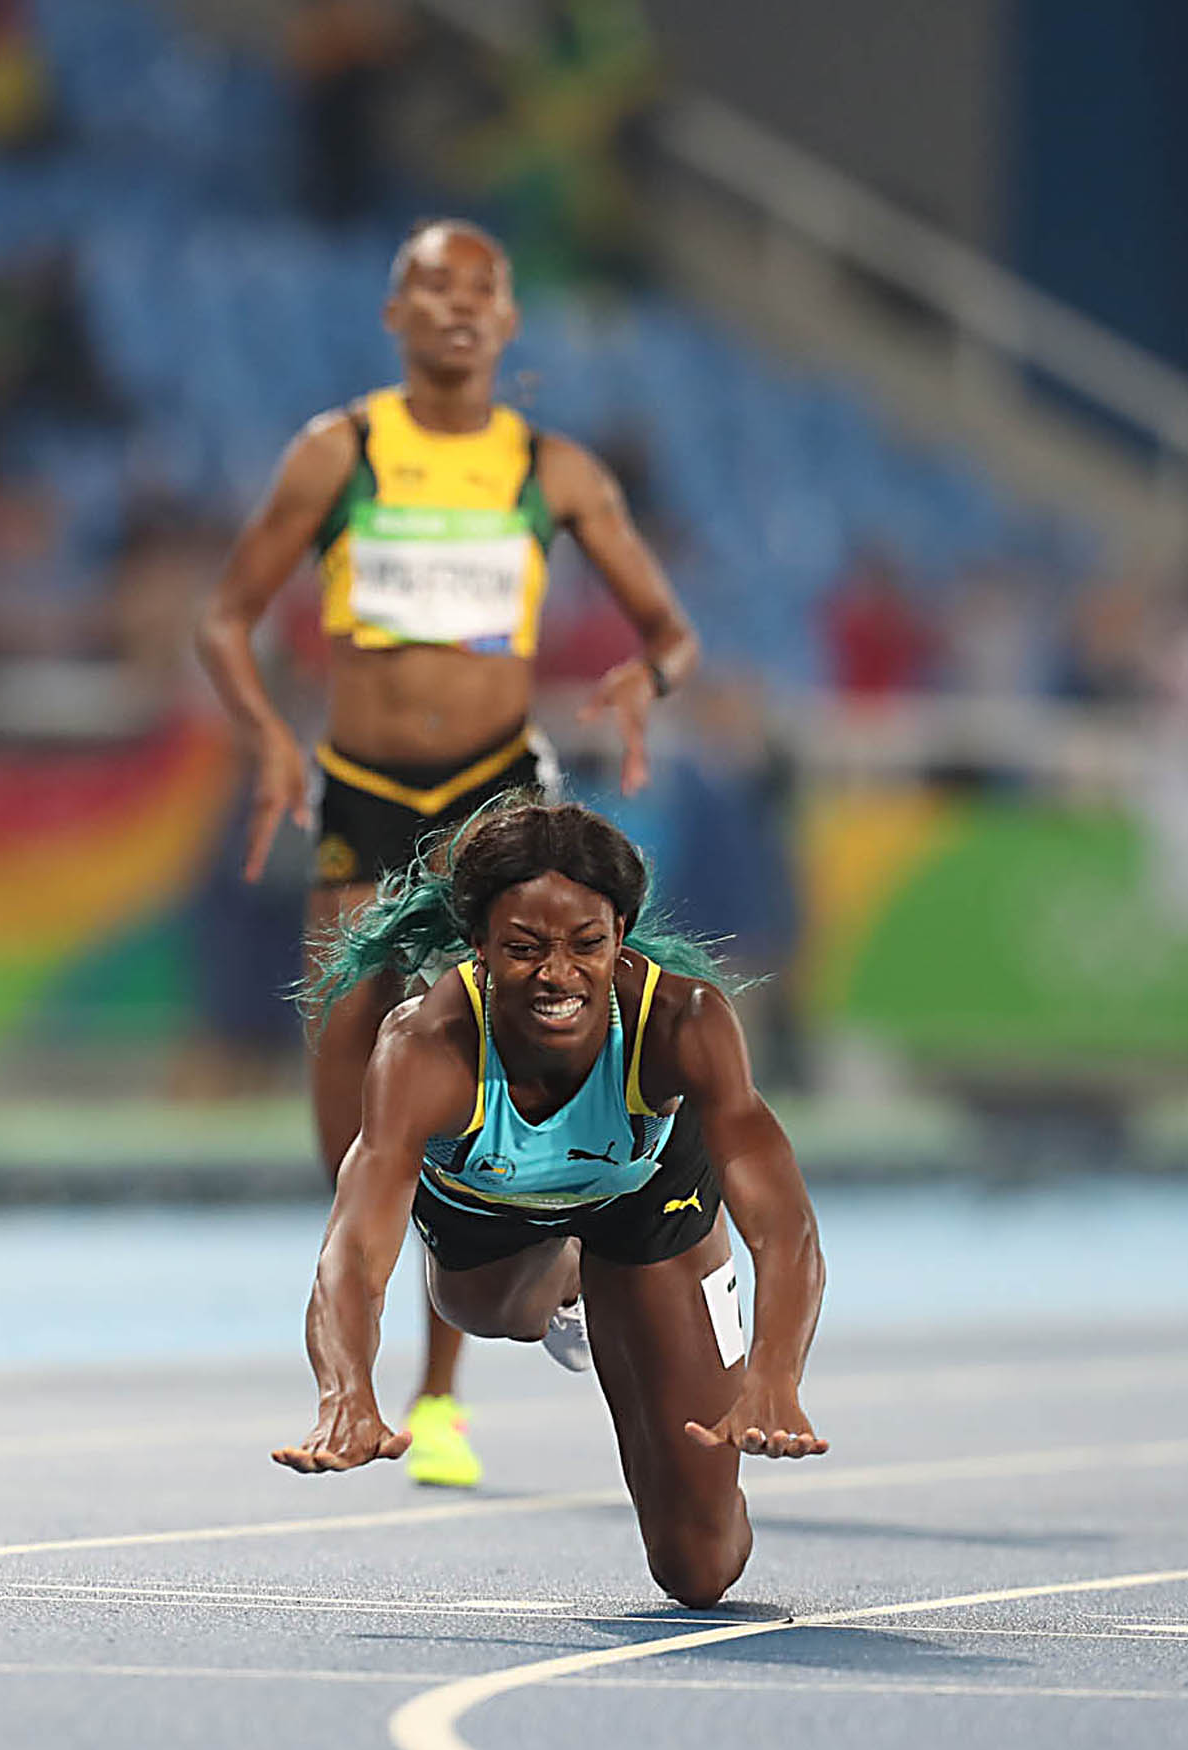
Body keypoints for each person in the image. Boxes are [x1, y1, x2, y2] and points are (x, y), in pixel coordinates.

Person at [194, 219, 700, 1489]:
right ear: (394, 314)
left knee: (471, 1057)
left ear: (509, 320)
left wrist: (647, 679)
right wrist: (266, 736)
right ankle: (362, 1367)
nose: (458, 307)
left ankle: (439, 1396)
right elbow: (225, 619)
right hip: (364, 793)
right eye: (432, 286)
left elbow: (672, 632)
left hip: (492, 800)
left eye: (482, 289)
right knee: (352, 1102)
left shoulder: (550, 468)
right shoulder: (342, 452)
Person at [276, 801, 827, 1608]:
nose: (558, 975)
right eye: (524, 949)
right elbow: (353, 1250)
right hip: (500, 1234)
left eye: (586, 945)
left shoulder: (684, 1021)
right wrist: (345, 1390)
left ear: (621, 934)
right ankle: (572, 1274)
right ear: (478, 945)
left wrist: (776, 1371)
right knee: (475, 1308)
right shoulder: (425, 1047)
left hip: (648, 1204)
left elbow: (784, 1226)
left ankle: (638, 1332)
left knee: (700, 1570)